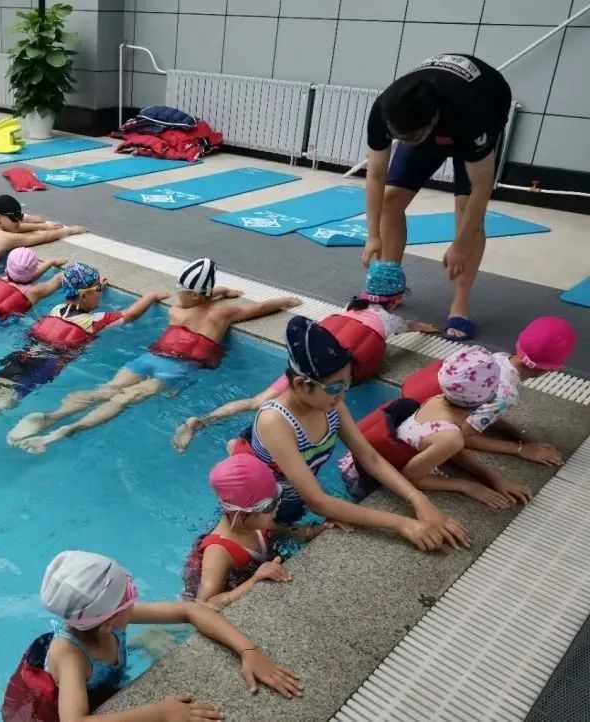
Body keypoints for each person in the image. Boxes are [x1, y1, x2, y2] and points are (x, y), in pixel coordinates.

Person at [8, 258, 301, 454]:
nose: (178, 294)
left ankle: (53, 418)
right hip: (173, 368)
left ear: (195, 294)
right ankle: (60, 429)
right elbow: (257, 308)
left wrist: (228, 292)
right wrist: (283, 300)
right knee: (120, 398)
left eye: (182, 290)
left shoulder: (178, 310)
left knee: (108, 390)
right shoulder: (221, 313)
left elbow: (251, 306)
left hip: (150, 358)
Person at [226, 315, 469, 551]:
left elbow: (369, 457)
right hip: (263, 514)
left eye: (347, 383)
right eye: (335, 387)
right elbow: (318, 501)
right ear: (301, 385)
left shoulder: (329, 402)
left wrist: (418, 500)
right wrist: (402, 524)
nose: (343, 394)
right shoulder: (276, 422)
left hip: (295, 496)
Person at [1, 550, 302, 722]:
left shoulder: (110, 618)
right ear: (106, 623)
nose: (135, 597)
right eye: (129, 594)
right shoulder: (70, 657)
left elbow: (190, 610)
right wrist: (160, 712)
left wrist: (248, 650)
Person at [171, 260, 438, 453]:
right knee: (296, 417)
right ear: (396, 300)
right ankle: (246, 445)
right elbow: (409, 326)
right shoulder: (391, 321)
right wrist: (424, 327)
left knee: (257, 402)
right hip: (324, 378)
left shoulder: (351, 305)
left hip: (304, 366)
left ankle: (199, 421)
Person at [0, 263, 168, 453]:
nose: (100, 292)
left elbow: (80, 300)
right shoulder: (94, 321)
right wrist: (151, 296)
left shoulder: (57, 308)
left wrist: (95, 286)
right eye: (97, 289)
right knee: (5, 401)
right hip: (44, 364)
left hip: (27, 353)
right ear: (86, 294)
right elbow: (131, 314)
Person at [362, 54, 512, 341]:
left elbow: (481, 187)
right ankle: (388, 285)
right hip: (428, 118)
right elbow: (376, 176)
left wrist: (460, 244)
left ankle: (460, 305)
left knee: (467, 213)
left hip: (487, 101)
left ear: (431, 123)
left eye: (411, 138)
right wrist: (372, 236)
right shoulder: (385, 109)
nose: (404, 143)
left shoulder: (471, 114)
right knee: (391, 200)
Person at [340, 347, 532, 510]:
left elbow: (451, 451)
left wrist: (495, 479)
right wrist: (468, 486)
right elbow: (411, 477)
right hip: (365, 478)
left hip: (359, 459)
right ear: (490, 398)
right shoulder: (451, 437)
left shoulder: (437, 399)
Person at [401, 315, 577, 468]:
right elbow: (466, 435)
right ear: (552, 369)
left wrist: (519, 436)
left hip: (414, 391)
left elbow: (485, 410)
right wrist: (520, 448)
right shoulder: (506, 394)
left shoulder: (495, 357)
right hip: (423, 421)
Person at [181, 455, 322, 608]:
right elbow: (204, 604)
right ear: (241, 514)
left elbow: (287, 533)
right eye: (269, 505)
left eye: (278, 495)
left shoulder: (257, 524)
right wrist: (253, 581)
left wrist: (315, 531)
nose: (277, 506)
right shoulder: (218, 552)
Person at [0, 194, 85, 277]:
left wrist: (43, 226)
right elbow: (41, 238)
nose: (18, 222)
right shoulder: (5, 238)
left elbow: (16, 228)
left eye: (20, 217)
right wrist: (69, 231)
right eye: (14, 218)